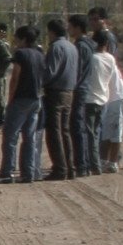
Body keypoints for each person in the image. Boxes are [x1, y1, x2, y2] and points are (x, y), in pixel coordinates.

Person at [0, 25, 45, 183]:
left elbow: (15, 78)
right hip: (36, 99)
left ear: (23, 39)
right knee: (29, 137)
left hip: (21, 99)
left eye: (17, 38)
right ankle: (28, 172)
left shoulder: (20, 54)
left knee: (10, 136)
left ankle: (8, 172)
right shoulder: (40, 54)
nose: (15, 42)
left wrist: (10, 99)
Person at [41, 18, 77, 181]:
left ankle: (60, 168)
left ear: (52, 32)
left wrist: (39, 82)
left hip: (55, 92)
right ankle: (70, 167)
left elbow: (50, 72)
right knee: (65, 131)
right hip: (69, 91)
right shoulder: (71, 47)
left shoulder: (55, 47)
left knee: (54, 132)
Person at [88, 36, 123, 172]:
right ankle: (104, 160)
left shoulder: (99, 58)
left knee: (115, 132)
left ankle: (113, 162)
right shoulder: (106, 58)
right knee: (106, 132)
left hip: (118, 97)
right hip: (109, 99)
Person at [69, 14, 101, 177]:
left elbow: (78, 70)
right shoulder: (89, 44)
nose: (69, 29)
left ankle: (82, 165)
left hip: (79, 89)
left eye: (71, 26)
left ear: (77, 28)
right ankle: (85, 163)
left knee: (77, 127)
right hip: (85, 88)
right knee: (82, 127)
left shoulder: (81, 46)